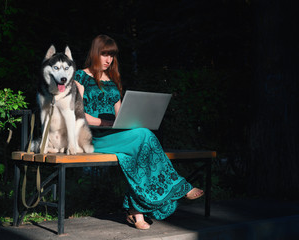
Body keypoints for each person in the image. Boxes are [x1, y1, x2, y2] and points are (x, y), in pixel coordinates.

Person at [75, 34, 204, 230]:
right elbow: (78, 114)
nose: (108, 60)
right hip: (92, 137)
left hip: (115, 135)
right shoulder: (80, 76)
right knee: (145, 137)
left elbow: (120, 115)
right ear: (94, 53)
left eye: (111, 55)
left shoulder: (111, 80)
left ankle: (136, 211)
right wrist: (107, 123)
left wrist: (129, 120)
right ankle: (176, 188)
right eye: (104, 54)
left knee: (140, 146)